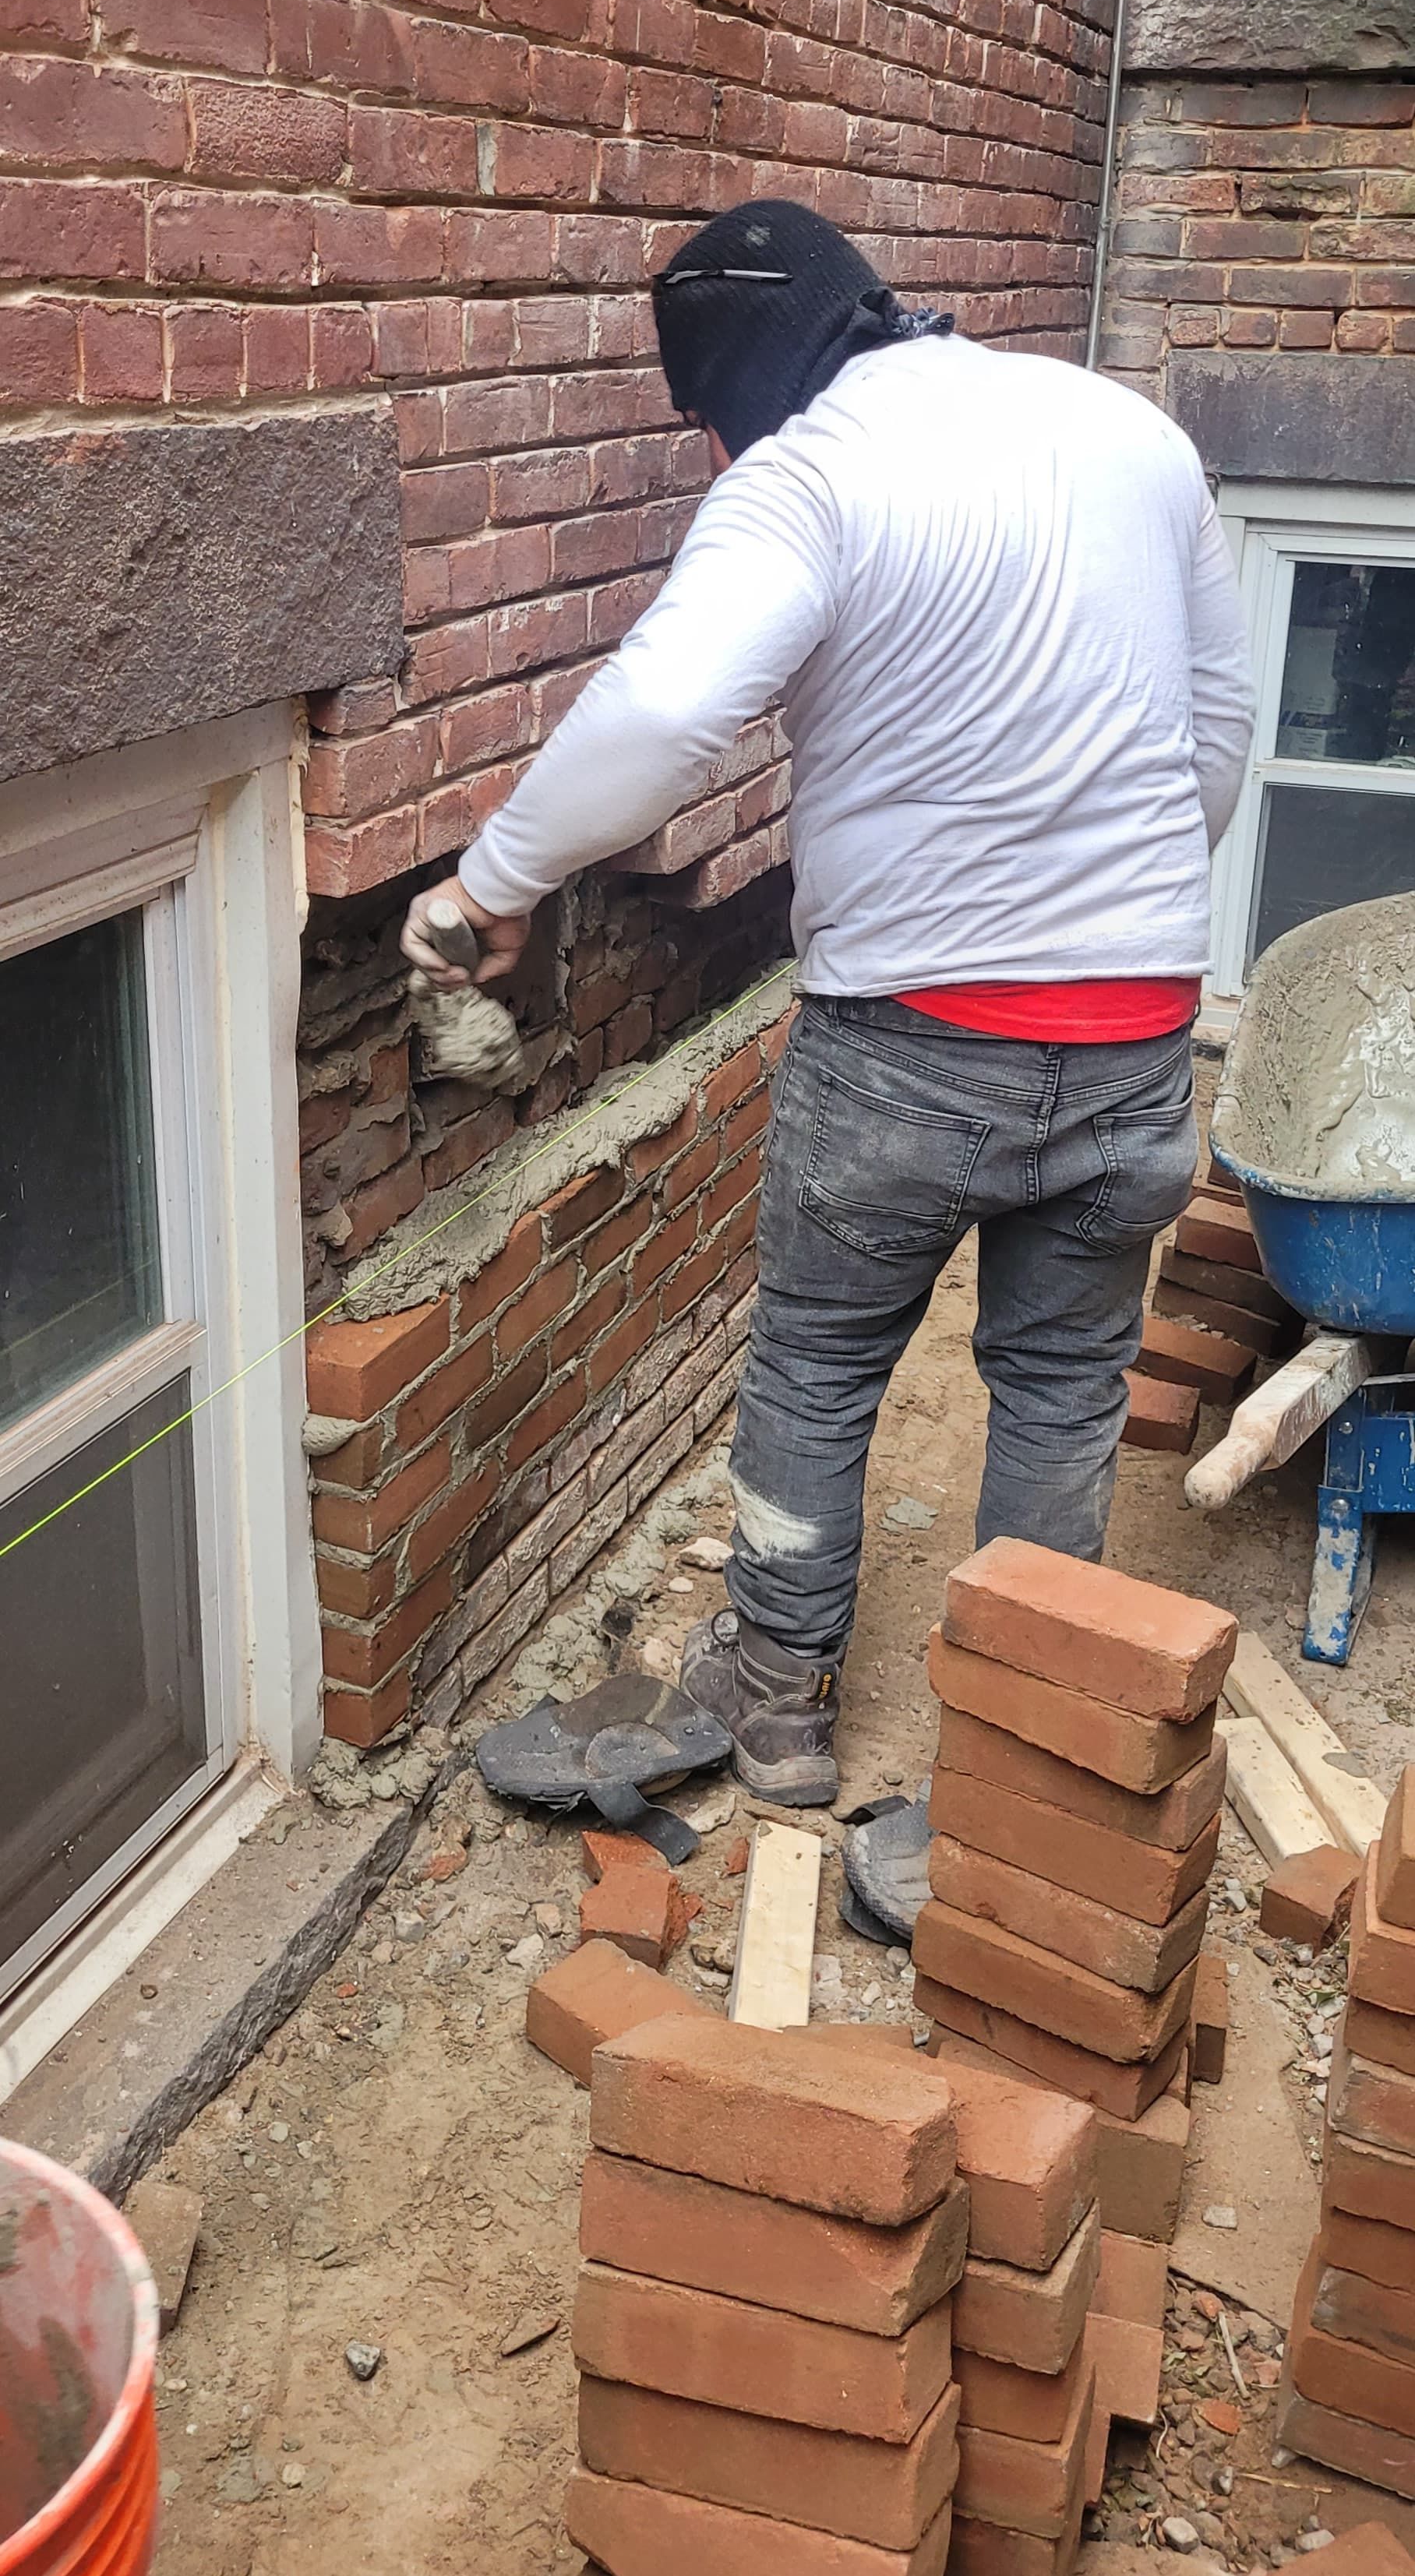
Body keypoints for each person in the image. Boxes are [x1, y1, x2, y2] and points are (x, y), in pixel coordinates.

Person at [404, 200, 1256, 1809]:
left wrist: (489, 886)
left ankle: (779, 1705)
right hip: (1137, 1031)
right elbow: (1213, 729)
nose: (717, 454)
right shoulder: (1125, 433)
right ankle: (1018, 1746)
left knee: (810, 1367)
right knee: (1064, 1387)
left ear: (736, 382)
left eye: (707, 422)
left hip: (906, 1049)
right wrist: (1107, 920)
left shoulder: (810, 475)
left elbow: (662, 714)